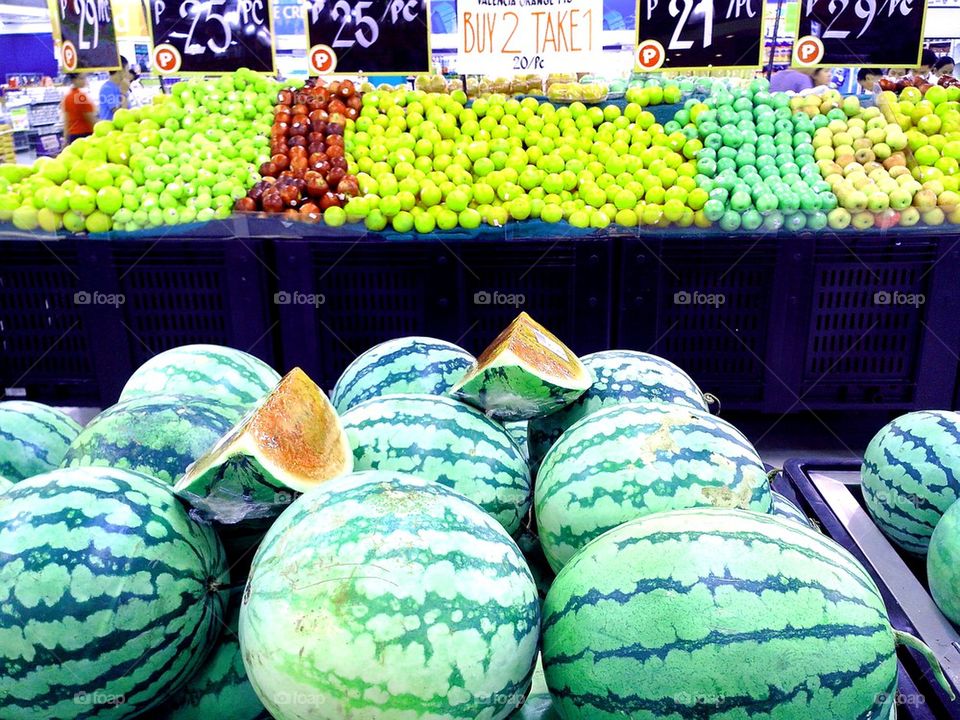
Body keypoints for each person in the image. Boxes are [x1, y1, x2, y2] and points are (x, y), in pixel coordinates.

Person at [62, 73, 95, 144]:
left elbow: (66, 119)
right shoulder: (81, 97)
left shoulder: (68, 96)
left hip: (72, 135)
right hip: (85, 134)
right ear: (74, 80)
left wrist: (65, 137)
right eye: (82, 78)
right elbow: (89, 118)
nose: (85, 81)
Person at [99, 56, 129, 121]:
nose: (128, 73)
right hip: (110, 129)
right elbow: (121, 116)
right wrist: (124, 93)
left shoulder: (120, 86)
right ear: (121, 70)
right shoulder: (107, 89)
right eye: (127, 70)